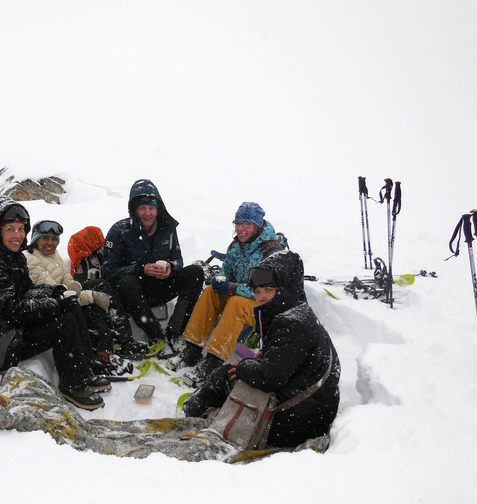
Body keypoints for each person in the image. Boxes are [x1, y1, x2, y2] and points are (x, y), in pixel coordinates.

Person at [0, 197, 108, 410]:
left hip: (5, 326)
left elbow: (26, 290)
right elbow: (12, 310)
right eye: (10, 229)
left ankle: (85, 369)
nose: (17, 235)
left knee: (70, 303)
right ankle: (73, 386)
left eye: (21, 229)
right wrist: (55, 304)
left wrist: (57, 291)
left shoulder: (11, 255)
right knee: (63, 321)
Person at [183, 250, 341, 448]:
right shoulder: (297, 312)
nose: (261, 297)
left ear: (284, 288)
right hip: (310, 412)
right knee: (236, 371)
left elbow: (268, 378)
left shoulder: (292, 323)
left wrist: (244, 366)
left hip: (294, 424)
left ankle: (189, 415)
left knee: (225, 375)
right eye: (257, 292)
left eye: (268, 290)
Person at [168, 202, 284, 387]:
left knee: (236, 302)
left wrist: (233, 288)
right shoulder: (236, 246)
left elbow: (270, 293)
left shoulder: (271, 251)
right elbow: (228, 272)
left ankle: (214, 361)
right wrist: (221, 279)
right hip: (242, 299)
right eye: (238, 224)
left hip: (265, 309)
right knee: (209, 293)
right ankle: (192, 348)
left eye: (247, 224)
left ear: (258, 225)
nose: (241, 229)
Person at [102, 179, 204, 357]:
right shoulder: (119, 230)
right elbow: (108, 271)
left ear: (158, 209)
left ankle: (175, 333)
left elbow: (178, 259)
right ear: (134, 210)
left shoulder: (168, 229)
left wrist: (171, 268)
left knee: (195, 272)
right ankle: (156, 336)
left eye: (151, 208)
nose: (147, 213)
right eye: (142, 208)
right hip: (134, 295)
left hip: (162, 286)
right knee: (127, 282)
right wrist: (140, 269)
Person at [24, 220, 141, 369]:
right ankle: (103, 354)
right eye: (45, 238)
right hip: (52, 304)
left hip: (63, 295)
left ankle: (121, 340)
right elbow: (55, 293)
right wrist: (91, 296)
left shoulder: (52, 254)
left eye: (54, 239)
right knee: (92, 307)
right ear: (35, 239)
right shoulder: (31, 260)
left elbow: (66, 278)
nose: (50, 243)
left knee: (101, 285)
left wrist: (75, 285)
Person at [67, 226, 149, 359]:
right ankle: (125, 340)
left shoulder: (91, 255)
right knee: (102, 293)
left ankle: (121, 341)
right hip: (83, 292)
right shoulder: (93, 256)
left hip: (82, 290)